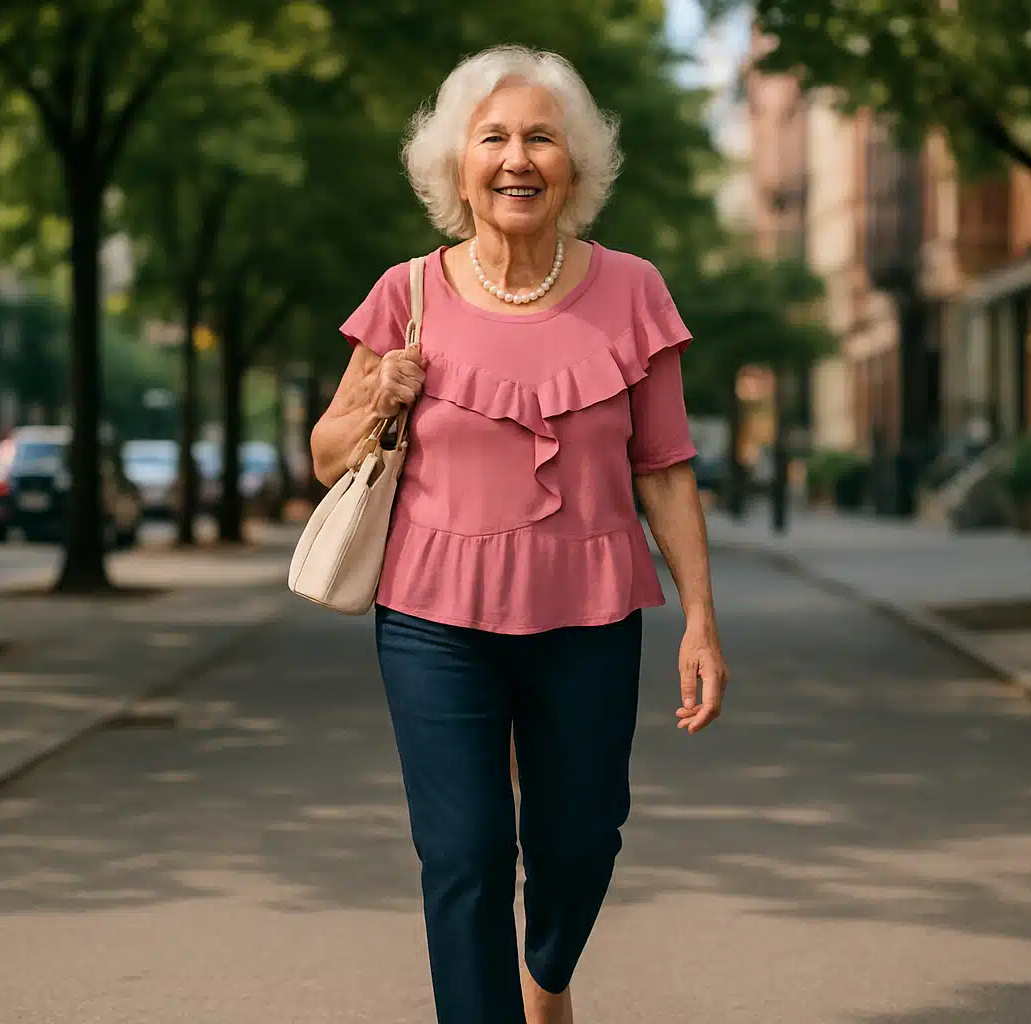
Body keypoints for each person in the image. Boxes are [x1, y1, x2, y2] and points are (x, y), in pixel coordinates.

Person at [310, 45, 728, 1024]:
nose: (516, 158)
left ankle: (547, 973)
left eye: (541, 137)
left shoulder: (633, 291)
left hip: (590, 611)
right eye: (492, 138)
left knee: (582, 841)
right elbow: (327, 456)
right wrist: (378, 395)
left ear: (574, 166)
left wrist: (701, 621)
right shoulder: (407, 293)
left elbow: (665, 470)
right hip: (432, 618)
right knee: (463, 856)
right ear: (456, 169)